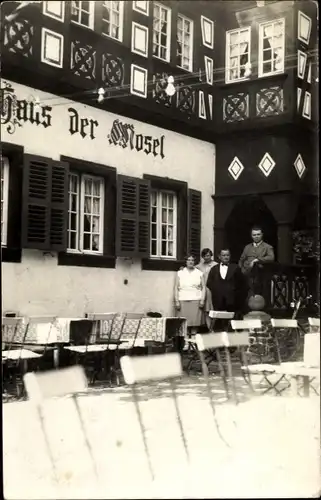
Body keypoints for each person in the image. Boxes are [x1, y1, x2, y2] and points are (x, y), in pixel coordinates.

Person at [206, 248, 244, 331]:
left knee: (232, 322)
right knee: (219, 322)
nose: (226, 257)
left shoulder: (236, 268)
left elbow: (242, 283)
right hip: (218, 300)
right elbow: (209, 283)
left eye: (227, 255)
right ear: (219, 257)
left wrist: (234, 292)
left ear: (230, 256)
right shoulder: (214, 269)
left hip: (232, 301)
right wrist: (217, 290)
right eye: (223, 255)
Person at [174, 255, 206, 341]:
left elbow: (203, 287)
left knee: (195, 323)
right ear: (186, 262)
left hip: (196, 299)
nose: (190, 262)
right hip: (183, 300)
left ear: (194, 262)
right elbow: (176, 287)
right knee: (184, 323)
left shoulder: (199, 273)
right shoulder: (180, 273)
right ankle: (186, 342)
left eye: (192, 260)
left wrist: (202, 300)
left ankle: (193, 342)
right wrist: (176, 301)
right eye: (188, 260)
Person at [238, 226, 275, 296]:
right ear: (251, 236)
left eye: (258, 234)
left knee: (260, 297)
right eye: (254, 235)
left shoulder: (267, 247)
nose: (256, 236)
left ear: (262, 235)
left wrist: (257, 260)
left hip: (261, 277)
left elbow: (271, 257)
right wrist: (242, 270)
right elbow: (241, 260)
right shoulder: (247, 247)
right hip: (247, 275)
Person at [196, 248, 218, 330]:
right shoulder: (199, 266)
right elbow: (192, 268)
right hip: (203, 289)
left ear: (211, 255)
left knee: (212, 310)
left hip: (212, 289)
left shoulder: (216, 265)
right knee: (205, 310)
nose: (206, 257)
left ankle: (213, 328)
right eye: (204, 256)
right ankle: (209, 328)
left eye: (208, 255)